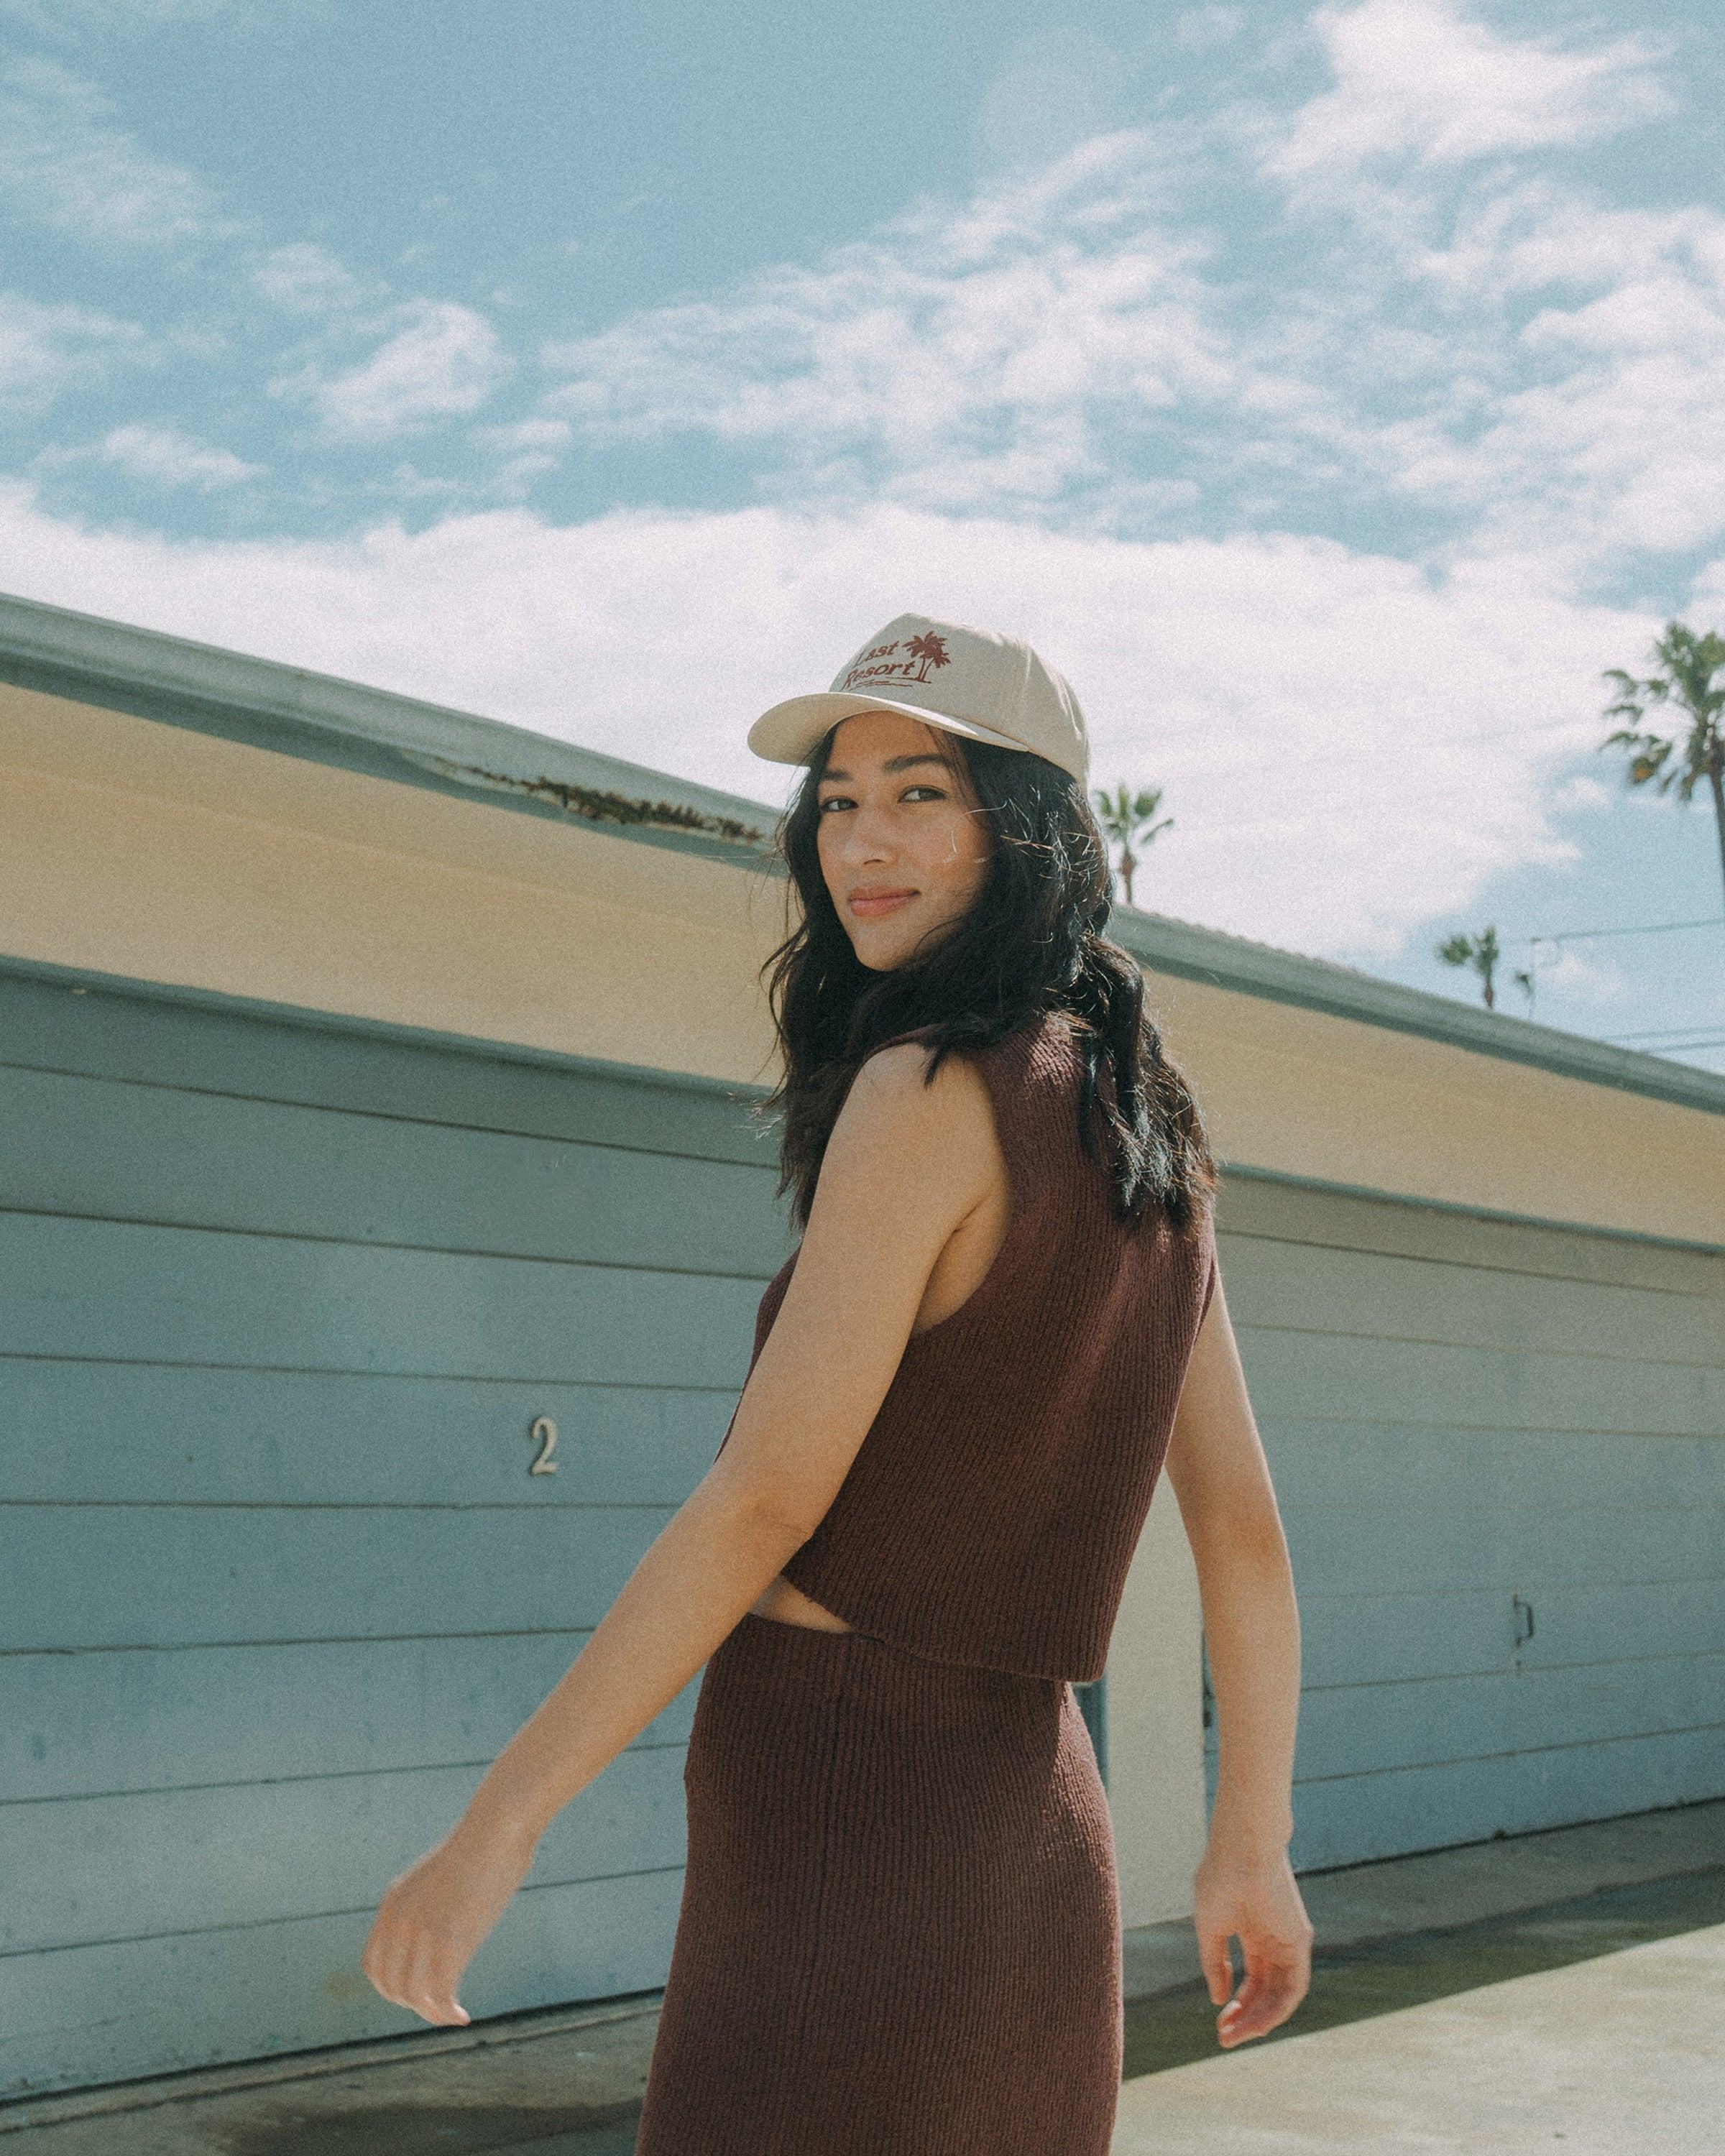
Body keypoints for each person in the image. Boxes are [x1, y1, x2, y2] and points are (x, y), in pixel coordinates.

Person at [362, 610, 1311, 2152]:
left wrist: (499, 1825)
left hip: (840, 1798)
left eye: (922, 794)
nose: (864, 840)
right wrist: (1251, 1845)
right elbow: (1249, 1544)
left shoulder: (930, 1087)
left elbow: (763, 1501)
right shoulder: (1157, 1136)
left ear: (1029, 830)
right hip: (1040, 1822)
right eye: (841, 799)